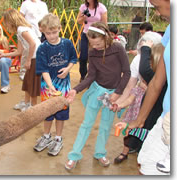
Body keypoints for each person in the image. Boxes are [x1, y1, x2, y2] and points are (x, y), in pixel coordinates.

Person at [64, 22, 130, 170]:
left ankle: (100, 153)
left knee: (106, 126)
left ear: (107, 37)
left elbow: (127, 72)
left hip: (112, 94)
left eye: (98, 43)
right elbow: (91, 76)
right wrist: (76, 89)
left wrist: (118, 93)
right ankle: (74, 155)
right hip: (97, 91)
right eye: (93, 44)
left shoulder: (118, 48)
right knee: (86, 124)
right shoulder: (93, 53)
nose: (96, 47)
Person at [128, 0, 170, 175]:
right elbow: (156, 81)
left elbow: (148, 72)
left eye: (158, 7)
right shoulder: (170, 30)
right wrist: (139, 119)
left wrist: (145, 50)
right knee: (145, 166)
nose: (158, 14)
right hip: (165, 118)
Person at [113, 32, 166, 163]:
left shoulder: (161, 90)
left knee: (144, 141)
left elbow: (145, 71)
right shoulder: (139, 88)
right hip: (139, 121)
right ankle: (127, 151)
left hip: (149, 126)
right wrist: (119, 105)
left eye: (151, 62)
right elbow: (130, 97)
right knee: (133, 136)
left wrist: (145, 48)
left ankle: (139, 152)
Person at [34, 13, 77, 156]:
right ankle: (46, 136)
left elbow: (73, 58)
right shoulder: (42, 48)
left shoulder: (67, 43)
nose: (51, 36)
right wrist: (50, 85)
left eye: (54, 32)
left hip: (64, 87)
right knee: (47, 113)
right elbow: (43, 69)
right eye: (48, 33)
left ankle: (58, 138)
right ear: (42, 31)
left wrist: (68, 69)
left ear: (59, 28)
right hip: (47, 87)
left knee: (61, 113)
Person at [0, 9, 41, 111]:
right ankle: (26, 103)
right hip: (32, 57)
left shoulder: (22, 29)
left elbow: (33, 44)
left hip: (37, 57)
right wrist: (4, 54)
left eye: (6, 22)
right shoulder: (19, 31)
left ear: (11, 20)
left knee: (32, 82)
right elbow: (19, 51)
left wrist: (28, 60)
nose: (6, 25)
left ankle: (33, 107)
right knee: (27, 81)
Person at [77, 0, 107, 82]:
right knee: (83, 57)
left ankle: (94, 77)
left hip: (97, 35)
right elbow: (79, 21)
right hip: (86, 34)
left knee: (96, 56)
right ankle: (83, 75)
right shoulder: (83, 7)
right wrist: (84, 17)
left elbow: (104, 24)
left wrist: (105, 36)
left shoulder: (101, 7)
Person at [19, 0, 48, 80]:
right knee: (27, 51)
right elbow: (20, 18)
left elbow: (46, 18)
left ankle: (40, 71)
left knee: (40, 53)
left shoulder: (43, 5)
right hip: (29, 32)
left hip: (41, 33)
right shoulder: (25, 4)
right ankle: (23, 72)